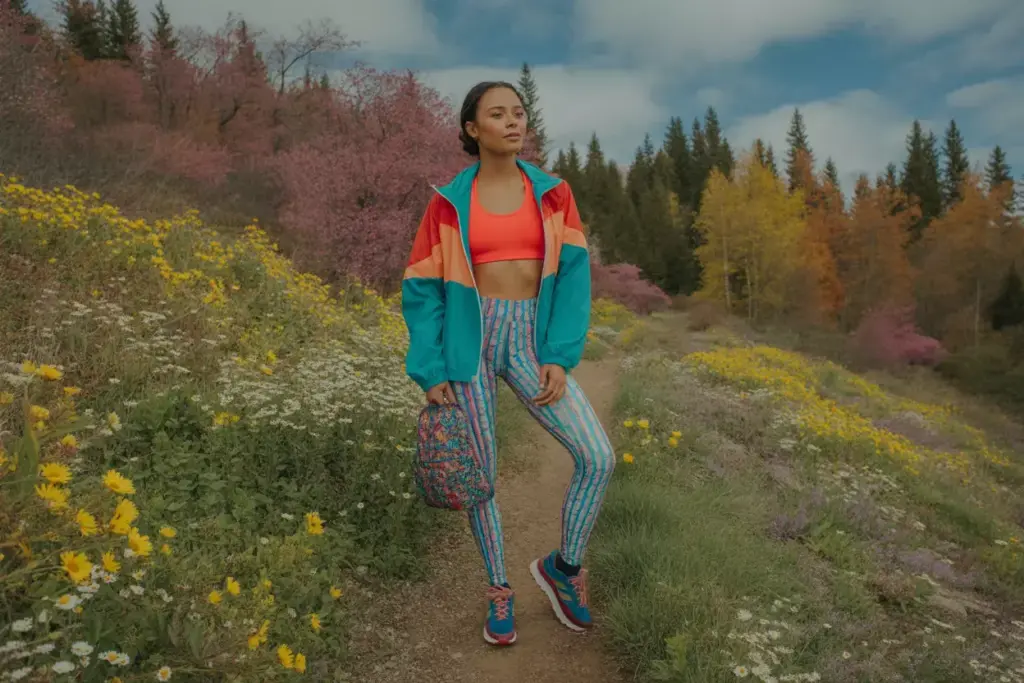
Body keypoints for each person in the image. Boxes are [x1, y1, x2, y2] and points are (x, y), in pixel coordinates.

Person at [401, 81, 616, 647]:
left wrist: (560, 357)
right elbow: (422, 289)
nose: (513, 122)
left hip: (529, 338)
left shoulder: (553, 194)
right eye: (497, 114)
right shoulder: (447, 202)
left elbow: (573, 277)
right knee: (482, 478)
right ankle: (499, 590)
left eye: (518, 113)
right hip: (467, 346)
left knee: (597, 454)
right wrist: (431, 368)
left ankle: (563, 570)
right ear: (473, 129)